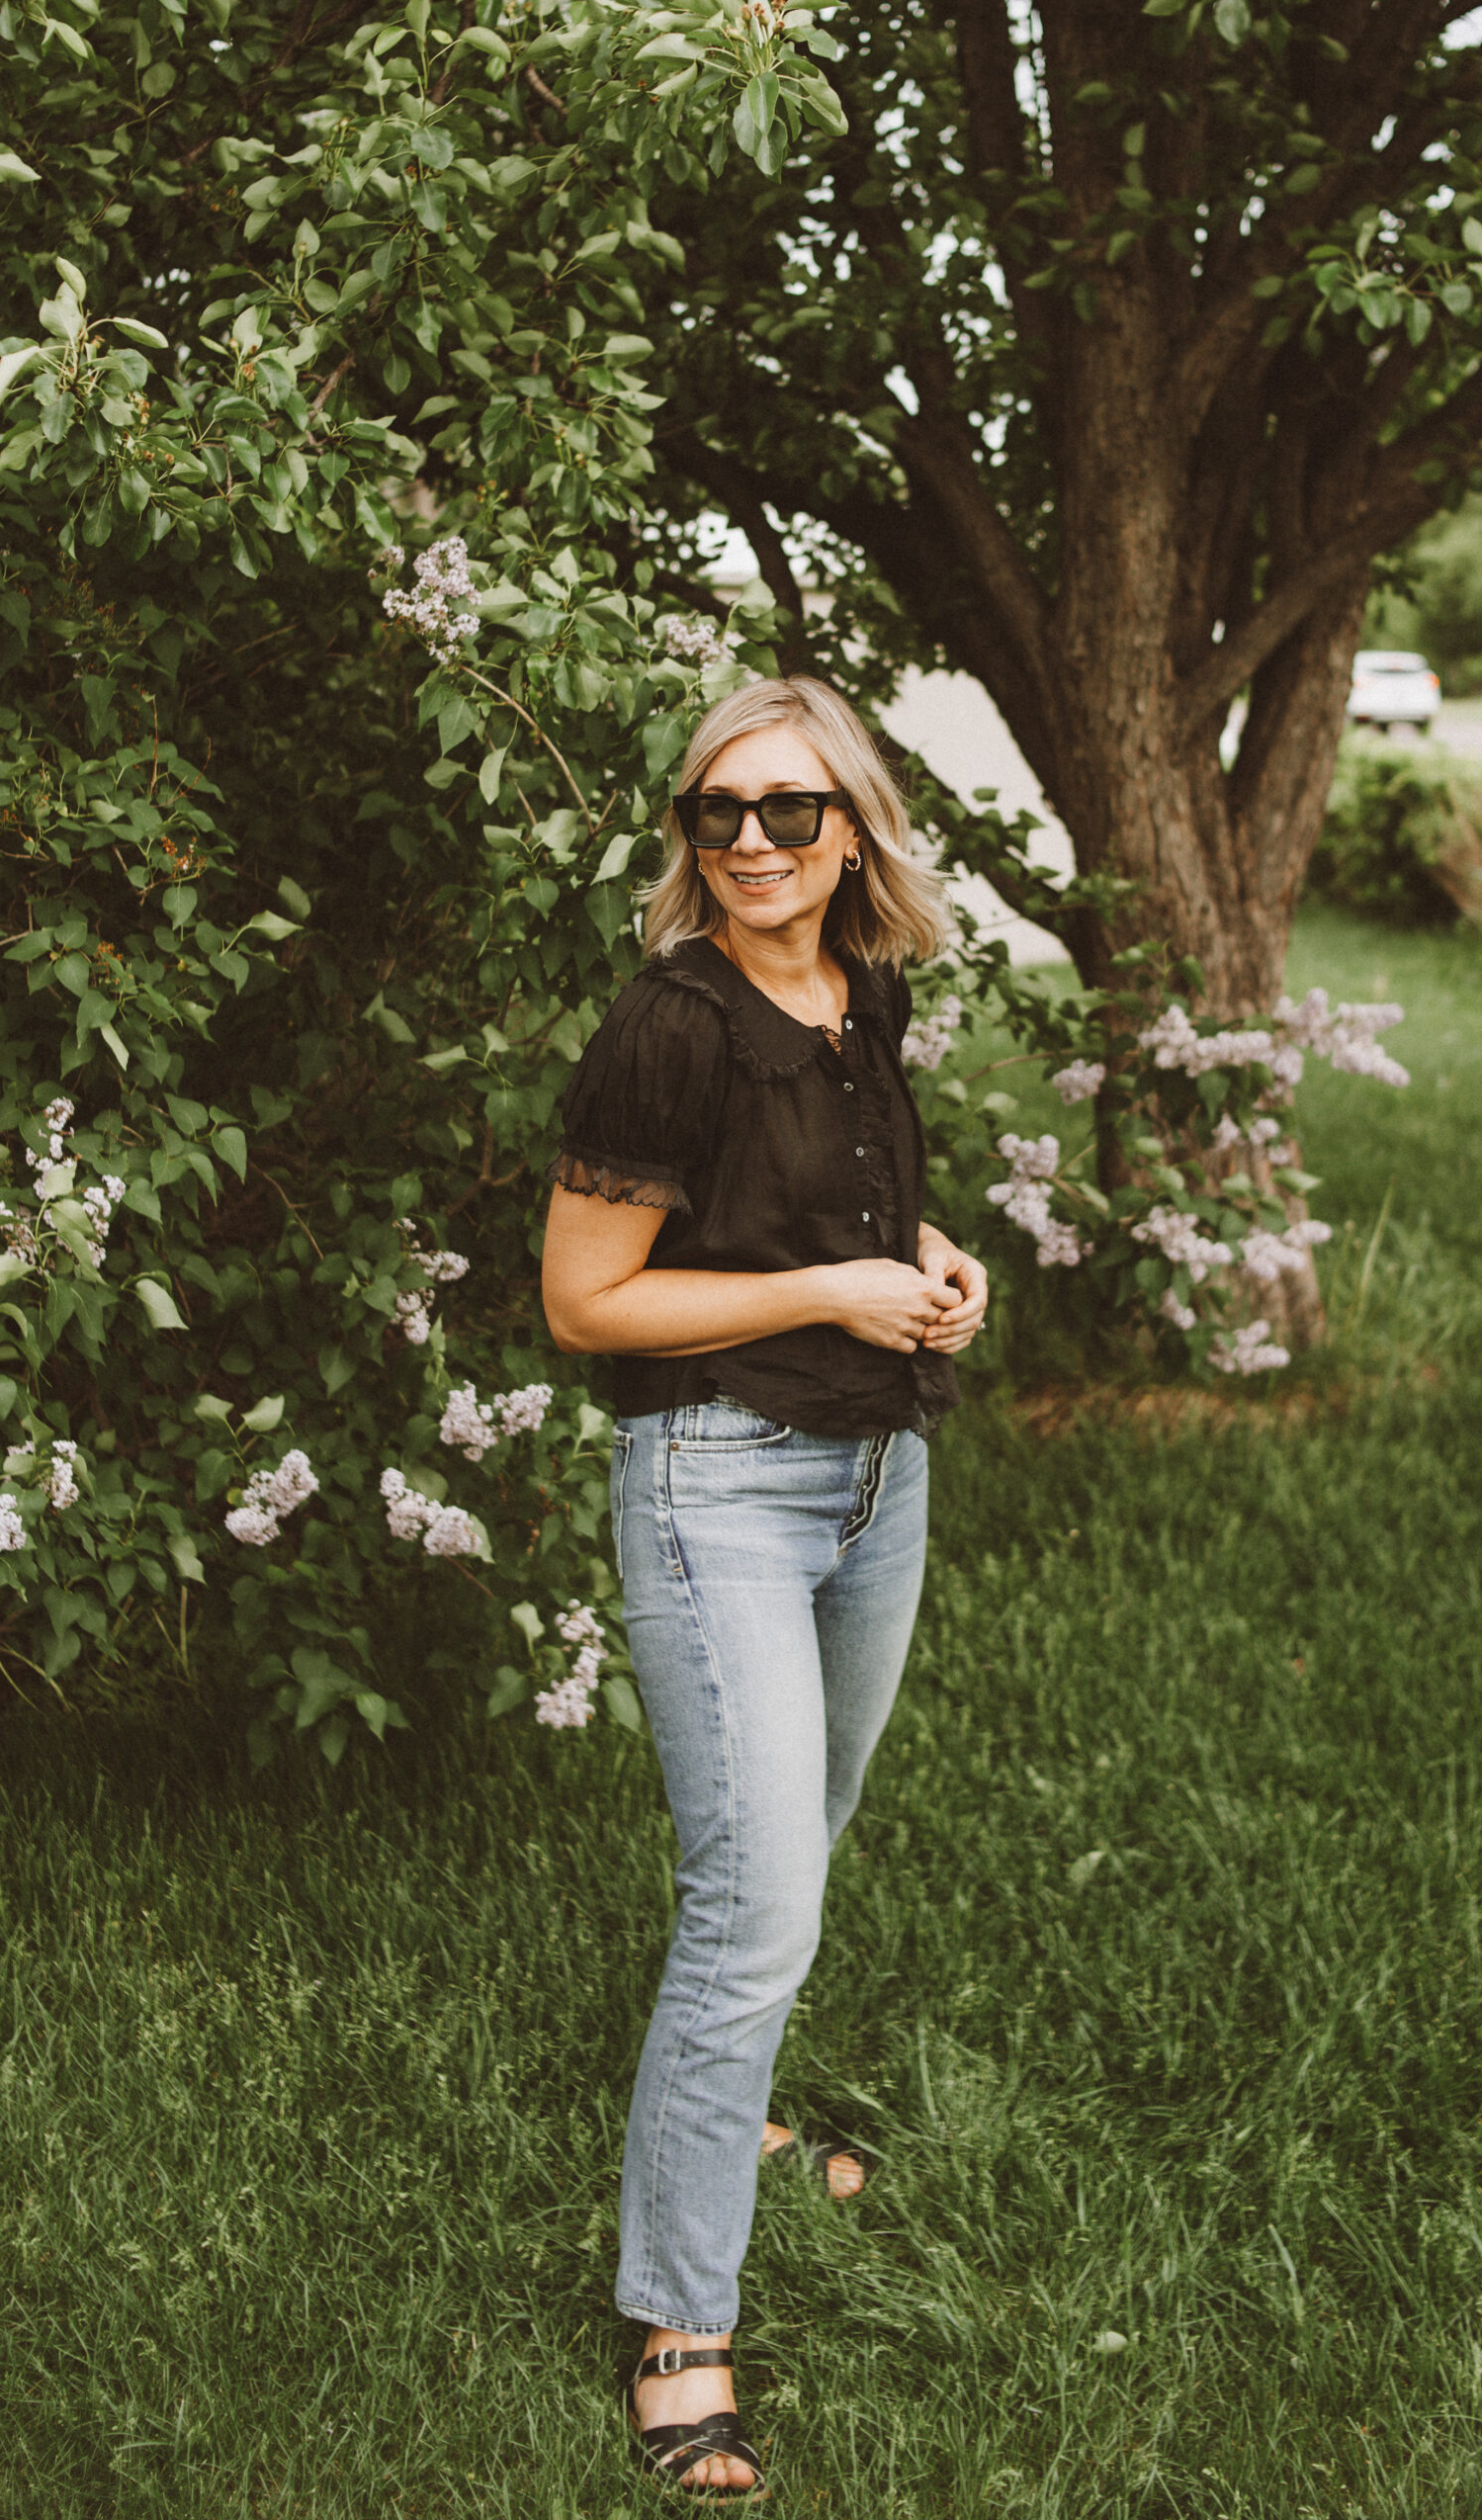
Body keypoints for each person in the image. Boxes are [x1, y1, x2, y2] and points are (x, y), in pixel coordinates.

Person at [541, 675, 988, 2497]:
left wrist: (931, 1266)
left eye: (788, 813)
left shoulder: (858, 993)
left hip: (879, 1475)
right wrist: (830, 1296)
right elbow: (587, 1303)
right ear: (687, 833)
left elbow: (830, 1220)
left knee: (799, 1839)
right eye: (716, 812)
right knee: (756, 1910)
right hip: (716, 1478)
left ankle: (725, 2132)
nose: (748, 844)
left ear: (853, 830)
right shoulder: (670, 1025)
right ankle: (680, 2322)